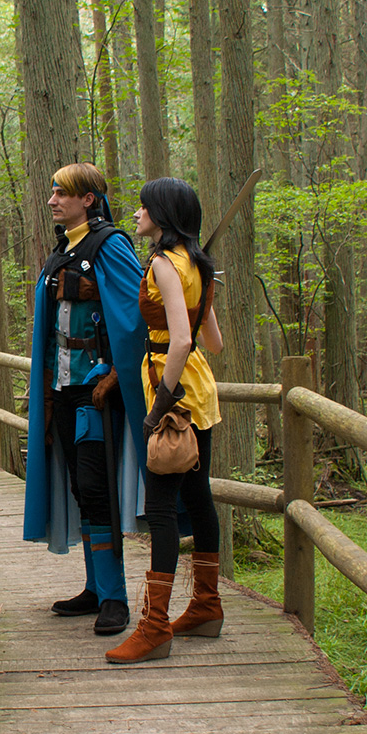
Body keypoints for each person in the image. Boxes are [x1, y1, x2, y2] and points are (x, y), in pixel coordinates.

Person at [23, 163, 149, 636]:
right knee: (80, 488)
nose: (53, 200)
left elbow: (135, 313)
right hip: (63, 391)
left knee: (97, 490)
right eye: (52, 192)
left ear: (89, 199)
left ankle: (115, 598)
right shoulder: (62, 252)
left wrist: (117, 372)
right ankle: (95, 590)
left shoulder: (110, 245)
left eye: (62, 193)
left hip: (97, 394)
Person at [106, 176, 224, 664]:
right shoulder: (195, 264)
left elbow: (179, 340)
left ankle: (155, 627)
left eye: (143, 207)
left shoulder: (162, 263)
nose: (136, 214)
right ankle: (206, 607)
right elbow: (212, 343)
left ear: (163, 215)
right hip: (200, 389)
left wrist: (158, 409)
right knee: (198, 498)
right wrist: (207, 292)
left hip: (173, 392)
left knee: (160, 508)